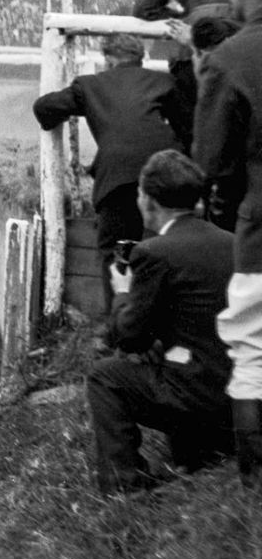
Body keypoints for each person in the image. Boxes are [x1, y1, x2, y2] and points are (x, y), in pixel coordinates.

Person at [85, 150, 235, 493]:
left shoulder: (154, 253)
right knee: (177, 361)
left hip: (202, 397)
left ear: (149, 202)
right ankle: (198, 459)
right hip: (243, 397)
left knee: (105, 377)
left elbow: (127, 336)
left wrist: (122, 292)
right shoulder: (233, 243)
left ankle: (125, 487)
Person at [33, 34, 187, 315]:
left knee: (114, 251)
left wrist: (59, 118)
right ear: (142, 58)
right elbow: (186, 128)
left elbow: (44, 107)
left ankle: (118, 325)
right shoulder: (164, 82)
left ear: (108, 60)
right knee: (171, 247)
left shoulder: (90, 85)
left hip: (119, 176)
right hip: (167, 172)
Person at [193, 0, 262, 487]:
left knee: (253, 359)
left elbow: (211, 162)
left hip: (260, 232)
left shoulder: (228, 59)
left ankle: (252, 492)